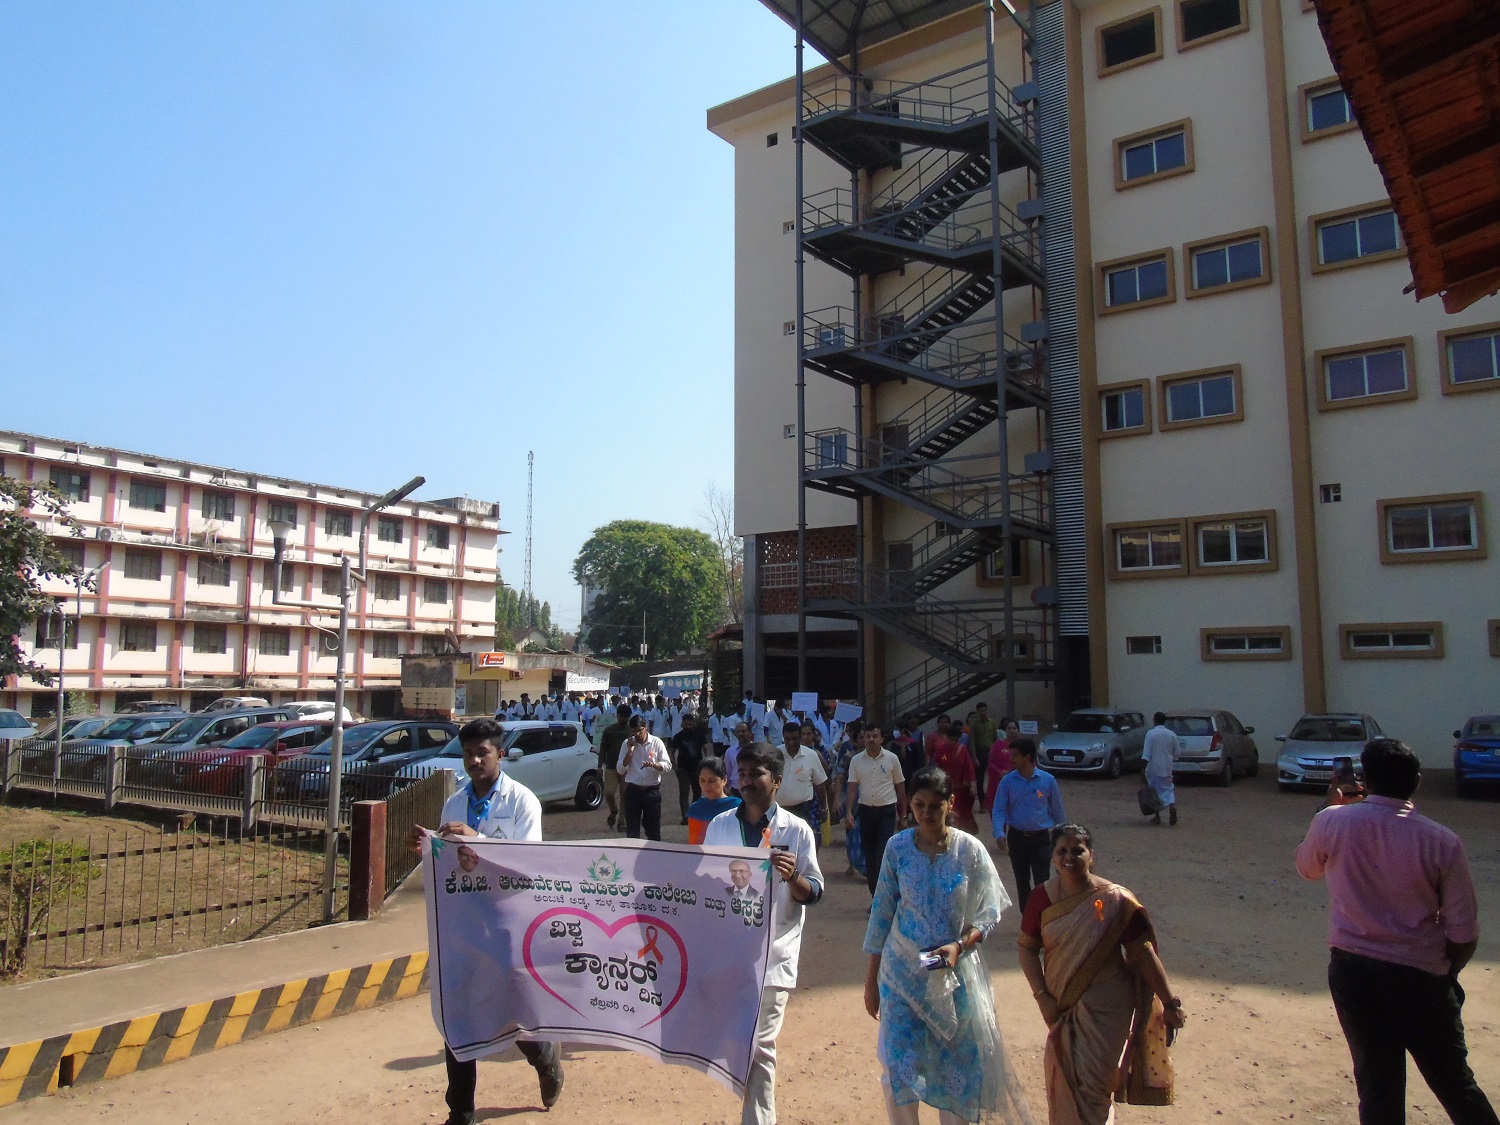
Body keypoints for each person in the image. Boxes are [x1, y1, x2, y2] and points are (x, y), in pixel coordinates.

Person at [1294, 739, 1496, 1125]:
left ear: (1365, 780)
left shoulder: (1332, 821)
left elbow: (1308, 869)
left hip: (1354, 971)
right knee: (1455, 1083)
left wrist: (1329, 807)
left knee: (1377, 1085)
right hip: (1420, 976)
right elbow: (1463, 931)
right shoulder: (1442, 841)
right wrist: (1445, 973)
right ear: (1417, 781)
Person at [404, 718, 564, 1123]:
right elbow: (447, 859)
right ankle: (460, 1112)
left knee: (509, 1009)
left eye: (482, 753)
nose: (474, 761)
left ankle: (544, 1055)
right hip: (464, 920)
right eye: (468, 754)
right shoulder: (455, 803)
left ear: (500, 754)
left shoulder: (523, 801)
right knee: (457, 1011)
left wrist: (478, 841)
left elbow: (529, 864)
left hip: (508, 920)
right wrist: (428, 848)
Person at [863, 765, 1036, 1125]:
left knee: (958, 1068)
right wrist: (871, 980)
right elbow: (882, 913)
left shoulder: (969, 851)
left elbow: (989, 911)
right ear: (910, 804)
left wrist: (960, 945)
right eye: (919, 805)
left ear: (950, 804)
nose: (926, 814)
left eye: (934, 806)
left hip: (954, 977)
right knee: (898, 1066)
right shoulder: (897, 848)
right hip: (903, 975)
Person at [1017, 823, 1184, 1124]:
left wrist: (1170, 1003)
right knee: (1064, 1079)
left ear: (1091, 854)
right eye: (1062, 851)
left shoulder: (1115, 900)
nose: (1069, 857)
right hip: (1060, 1006)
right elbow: (1027, 949)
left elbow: (1143, 953)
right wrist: (1042, 998)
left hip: (1108, 1008)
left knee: (1095, 1088)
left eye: (1077, 850)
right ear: (1053, 857)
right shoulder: (1041, 898)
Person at [705, 742, 825, 1125]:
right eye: (741, 774)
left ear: (776, 781)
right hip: (730, 955)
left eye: (756, 773)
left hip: (774, 956)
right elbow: (704, 884)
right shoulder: (720, 826)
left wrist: (793, 876)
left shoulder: (797, 830)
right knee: (737, 1045)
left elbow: (813, 892)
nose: (746, 781)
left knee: (760, 1047)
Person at [991, 738, 1065, 907]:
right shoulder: (1007, 781)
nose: (1011, 759)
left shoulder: (1047, 780)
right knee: (1022, 881)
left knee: (1042, 881)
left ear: (1027, 757)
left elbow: (1057, 811)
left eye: (1015, 755)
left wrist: (1063, 836)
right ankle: (1027, 918)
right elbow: (999, 809)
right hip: (1017, 838)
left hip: (1041, 839)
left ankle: (1042, 916)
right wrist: (999, 832)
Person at [843, 723, 909, 896]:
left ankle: (886, 895)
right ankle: (876, 898)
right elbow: (852, 789)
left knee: (882, 854)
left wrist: (903, 815)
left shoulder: (892, 759)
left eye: (874, 736)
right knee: (870, 857)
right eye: (868, 736)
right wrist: (848, 812)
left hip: (886, 812)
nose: (871, 739)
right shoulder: (856, 761)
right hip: (865, 812)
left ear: (881, 739)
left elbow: (900, 788)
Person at [618, 715, 671, 841]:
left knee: (653, 831)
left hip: (651, 792)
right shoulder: (627, 744)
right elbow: (620, 769)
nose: (637, 734)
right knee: (632, 832)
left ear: (645, 727)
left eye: (639, 730)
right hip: (633, 791)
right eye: (634, 731)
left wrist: (654, 765)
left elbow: (668, 766)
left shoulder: (656, 742)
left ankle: (653, 852)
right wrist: (630, 752)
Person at [926, 718, 980, 833]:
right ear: (947, 738)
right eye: (951, 739)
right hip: (945, 787)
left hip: (961, 788)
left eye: (956, 740)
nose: (954, 742)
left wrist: (973, 785)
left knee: (962, 811)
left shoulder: (963, 750)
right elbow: (936, 767)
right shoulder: (941, 750)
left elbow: (969, 768)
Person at [778, 719, 833, 832]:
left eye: (794, 738)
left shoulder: (811, 755)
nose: (791, 742)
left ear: (800, 738)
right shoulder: (775, 754)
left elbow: (819, 784)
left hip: (804, 810)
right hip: (779, 811)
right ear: (783, 738)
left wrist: (824, 808)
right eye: (787, 739)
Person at [686, 755, 740, 844]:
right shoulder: (695, 809)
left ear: (724, 780)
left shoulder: (737, 807)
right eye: (702, 780)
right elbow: (694, 843)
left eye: (712, 781)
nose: (706, 786)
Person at [669, 712, 710, 825]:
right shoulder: (678, 736)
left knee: (697, 792)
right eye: (686, 725)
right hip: (683, 769)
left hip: (698, 768)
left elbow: (706, 748)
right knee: (684, 793)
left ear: (693, 724)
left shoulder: (699, 735)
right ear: (682, 724)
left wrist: (706, 762)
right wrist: (674, 766)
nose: (688, 727)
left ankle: (694, 814)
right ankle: (685, 817)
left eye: (690, 725)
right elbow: (671, 751)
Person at [597, 704, 632, 833]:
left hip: (627, 768)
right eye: (621, 716)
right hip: (611, 766)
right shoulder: (609, 731)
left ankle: (621, 821)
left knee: (625, 795)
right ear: (617, 716)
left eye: (626, 717)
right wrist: (599, 766)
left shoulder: (631, 731)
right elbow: (603, 749)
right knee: (608, 793)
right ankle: (613, 810)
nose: (623, 719)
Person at [1141, 713, 1180, 826]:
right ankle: (1172, 807)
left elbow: (1146, 754)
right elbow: (1177, 754)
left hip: (1153, 767)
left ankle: (1157, 817)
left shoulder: (1151, 733)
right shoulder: (1172, 734)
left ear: (1154, 720)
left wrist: (1142, 769)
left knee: (1154, 791)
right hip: (1167, 766)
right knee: (1168, 788)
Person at [984, 718, 1021, 814]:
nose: (1012, 730)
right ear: (1005, 730)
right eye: (1009, 728)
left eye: (1014, 728)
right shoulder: (998, 744)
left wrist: (1011, 772)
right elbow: (991, 762)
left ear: (1018, 730)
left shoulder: (1023, 746)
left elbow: (1029, 763)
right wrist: (1000, 772)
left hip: (1018, 781)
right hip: (999, 780)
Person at [969, 703, 998, 792]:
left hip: (991, 751)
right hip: (980, 752)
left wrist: (996, 752)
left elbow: (995, 738)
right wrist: (974, 758)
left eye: (984, 711)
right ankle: (981, 797)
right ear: (977, 712)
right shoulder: (974, 724)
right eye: (980, 711)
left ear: (987, 711)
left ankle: (992, 794)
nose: (983, 713)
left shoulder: (992, 722)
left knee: (993, 773)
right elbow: (972, 742)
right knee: (980, 776)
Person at [725, 718, 755, 794]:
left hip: (753, 789)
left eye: (743, 731)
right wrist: (728, 790)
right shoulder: (730, 752)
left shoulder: (757, 750)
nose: (740, 734)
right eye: (738, 732)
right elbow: (727, 772)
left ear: (750, 733)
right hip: (735, 790)